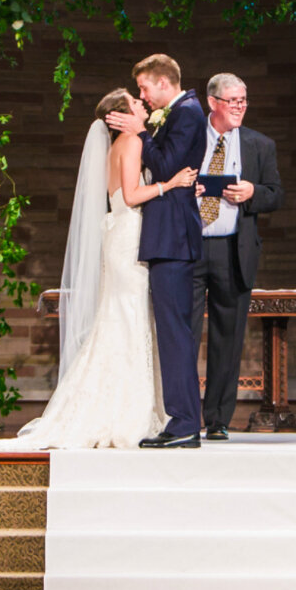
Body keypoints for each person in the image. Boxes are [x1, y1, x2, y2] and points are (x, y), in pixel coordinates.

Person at [19, 87, 197, 450]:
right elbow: (130, 196)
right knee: (129, 319)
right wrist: (170, 184)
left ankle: (124, 402)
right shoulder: (131, 142)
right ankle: (127, 409)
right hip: (130, 234)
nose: (141, 103)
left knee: (119, 318)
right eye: (134, 101)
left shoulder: (118, 146)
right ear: (119, 115)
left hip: (120, 233)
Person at [107, 55, 209, 448]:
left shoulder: (187, 113)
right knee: (171, 332)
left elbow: (166, 166)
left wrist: (142, 133)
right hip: (167, 235)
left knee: (175, 334)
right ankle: (180, 420)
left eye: (145, 88)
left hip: (173, 237)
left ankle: (184, 424)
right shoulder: (178, 112)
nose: (143, 98)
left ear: (164, 82)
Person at [192, 73, 282, 438]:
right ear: (213, 103)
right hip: (190, 248)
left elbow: (276, 194)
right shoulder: (189, 139)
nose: (241, 107)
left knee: (227, 338)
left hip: (233, 249)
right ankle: (181, 416)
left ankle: (217, 421)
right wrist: (187, 190)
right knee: (184, 334)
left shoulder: (259, 145)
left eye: (244, 100)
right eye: (233, 101)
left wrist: (252, 192)